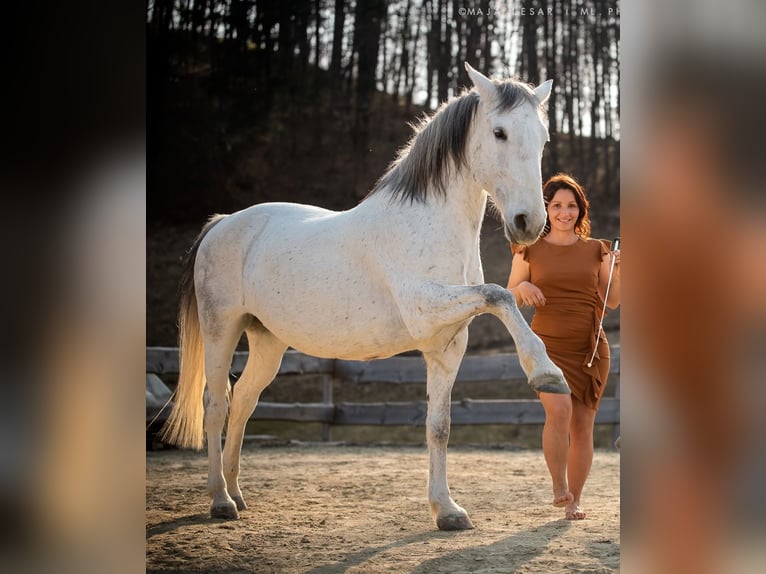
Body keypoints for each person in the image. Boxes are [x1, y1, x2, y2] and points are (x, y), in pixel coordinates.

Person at [506, 173, 620, 520]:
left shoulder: (598, 250)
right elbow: (508, 294)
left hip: (590, 350)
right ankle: (559, 485)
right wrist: (523, 287)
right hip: (546, 349)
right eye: (557, 205)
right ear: (546, 210)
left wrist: (622, 270)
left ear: (580, 210)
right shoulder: (528, 249)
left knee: (583, 427)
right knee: (559, 412)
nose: (564, 212)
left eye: (571, 206)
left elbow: (612, 301)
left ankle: (575, 500)